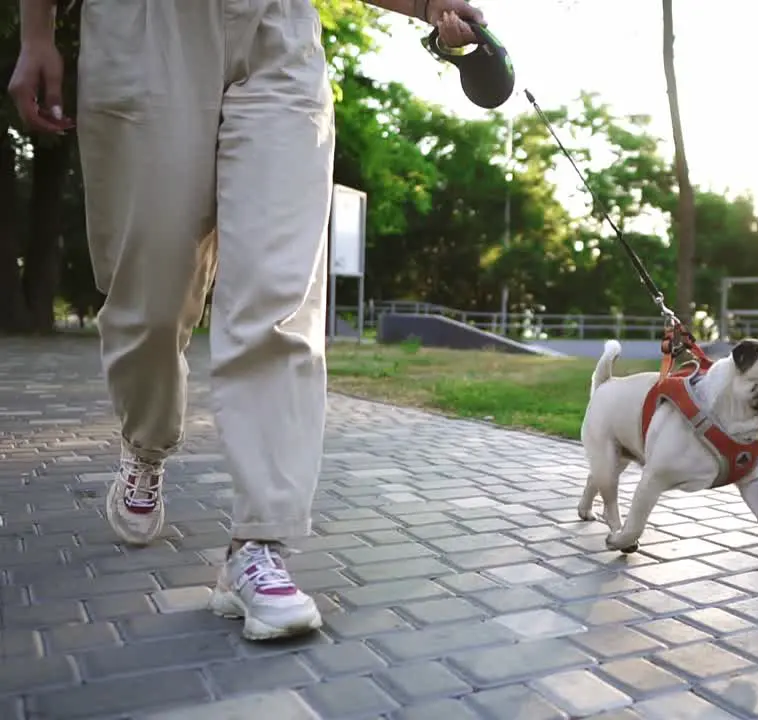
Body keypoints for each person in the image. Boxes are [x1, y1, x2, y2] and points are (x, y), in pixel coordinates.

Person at [8, 0, 486, 641]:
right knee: (148, 305)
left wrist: (428, 7)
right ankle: (145, 445)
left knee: (277, 302)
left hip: (279, 33)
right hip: (146, 29)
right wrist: (36, 32)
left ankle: (259, 543)